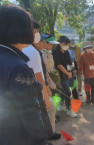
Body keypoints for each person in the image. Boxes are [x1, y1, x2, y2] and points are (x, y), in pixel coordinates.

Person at [0, 5, 51, 145]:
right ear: (20, 28)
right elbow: (31, 114)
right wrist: (42, 139)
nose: (34, 32)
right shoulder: (19, 67)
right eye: (31, 26)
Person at [35, 34, 61, 140]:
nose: (51, 46)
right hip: (44, 84)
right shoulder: (41, 54)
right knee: (49, 107)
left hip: (50, 79)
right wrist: (48, 86)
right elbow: (42, 73)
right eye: (50, 44)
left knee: (51, 104)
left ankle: (51, 124)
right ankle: (50, 132)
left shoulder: (47, 53)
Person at [22, 19, 51, 111]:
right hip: (36, 95)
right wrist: (46, 98)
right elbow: (39, 77)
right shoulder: (32, 51)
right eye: (36, 32)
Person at [52, 36, 78, 118]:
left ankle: (61, 105)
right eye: (65, 44)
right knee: (67, 91)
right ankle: (69, 109)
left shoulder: (66, 51)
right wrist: (67, 73)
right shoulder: (55, 51)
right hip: (59, 74)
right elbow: (59, 65)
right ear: (60, 43)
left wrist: (70, 71)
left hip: (67, 73)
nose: (66, 46)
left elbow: (70, 63)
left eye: (67, 44)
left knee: (64, 89)